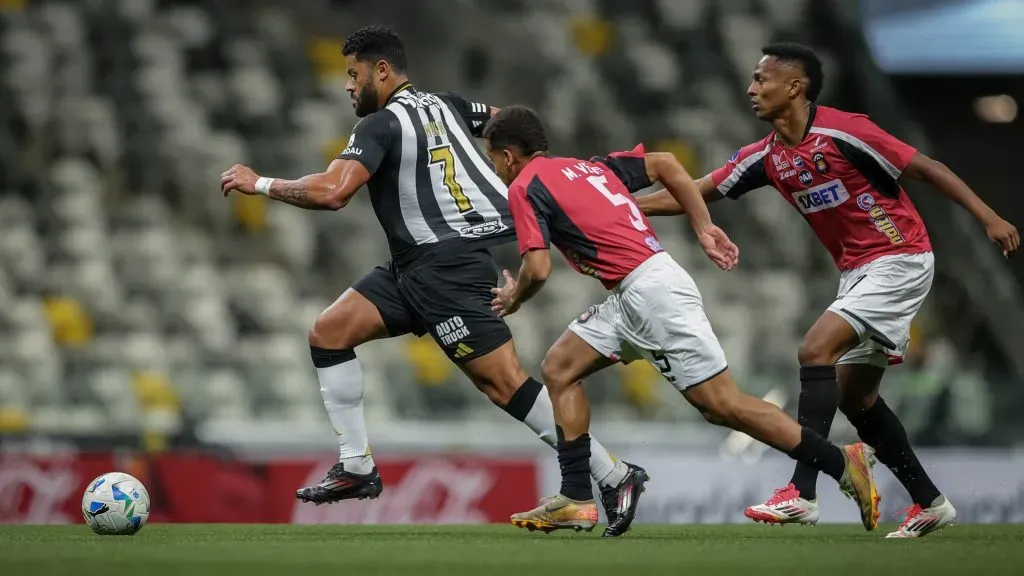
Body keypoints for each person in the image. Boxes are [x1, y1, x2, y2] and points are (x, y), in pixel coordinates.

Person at [219, 25, 648, 536]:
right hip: (410, 266)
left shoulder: (379, 125)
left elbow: (334, 192)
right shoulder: (448, 105)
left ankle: (613, 474)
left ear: (382, 70)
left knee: (506, 385)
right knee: (329, 333)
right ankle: (356, 465)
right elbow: (509, 122)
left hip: (448, 267)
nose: (348, 86)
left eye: (354, 74)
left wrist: (261, 183)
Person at [635, 42, 1019, 538]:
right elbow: (694, 190)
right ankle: (931, 502)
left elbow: (926, 167)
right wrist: (618, 204)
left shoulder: (845, 130)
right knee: (856, 400)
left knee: (814, 350)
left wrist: (988, 217)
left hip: (899, 256)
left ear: (794, 87)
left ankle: (802, 492)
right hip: (857, 272)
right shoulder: (766, 156)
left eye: (761, 79)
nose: (751, 89)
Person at [483, 105, 881, 534]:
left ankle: (841, 461)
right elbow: (667, 164)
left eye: (493, 160)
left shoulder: (524, 185)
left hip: (650, 295)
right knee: (560, 366)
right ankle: (577, 496)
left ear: (508, 156)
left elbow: (538, 268)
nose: (497, 170)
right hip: (632, 292)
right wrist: (703, 226)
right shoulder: (590, 168)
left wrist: (515, 298)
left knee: (723, 406)